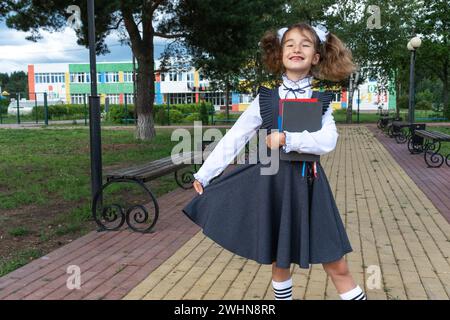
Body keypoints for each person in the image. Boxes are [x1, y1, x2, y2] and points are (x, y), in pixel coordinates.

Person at [182, 22, 367, 301]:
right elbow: (236, 136)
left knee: (336, 262)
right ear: (280, 54)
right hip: (273, 185)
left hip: (310, 185)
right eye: (290, 44)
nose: (296, 48)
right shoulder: (266, 98)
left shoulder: (320, 99)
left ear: (316, 57)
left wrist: (287, 139)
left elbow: (328, 141)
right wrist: (205, 174)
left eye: (305, 44)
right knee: (280, 263)